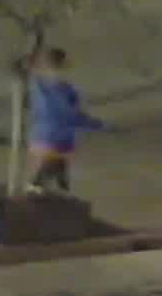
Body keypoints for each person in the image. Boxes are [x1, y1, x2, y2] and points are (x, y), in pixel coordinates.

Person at [24, 46, 107, 195]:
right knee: (48, 175)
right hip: (55, 140)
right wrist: (98, 125)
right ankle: (42, 189)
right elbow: (69, 116)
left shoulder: (38, 84)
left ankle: (51, 189)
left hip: (43, 137)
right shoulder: (62, 91)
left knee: (56, 173)